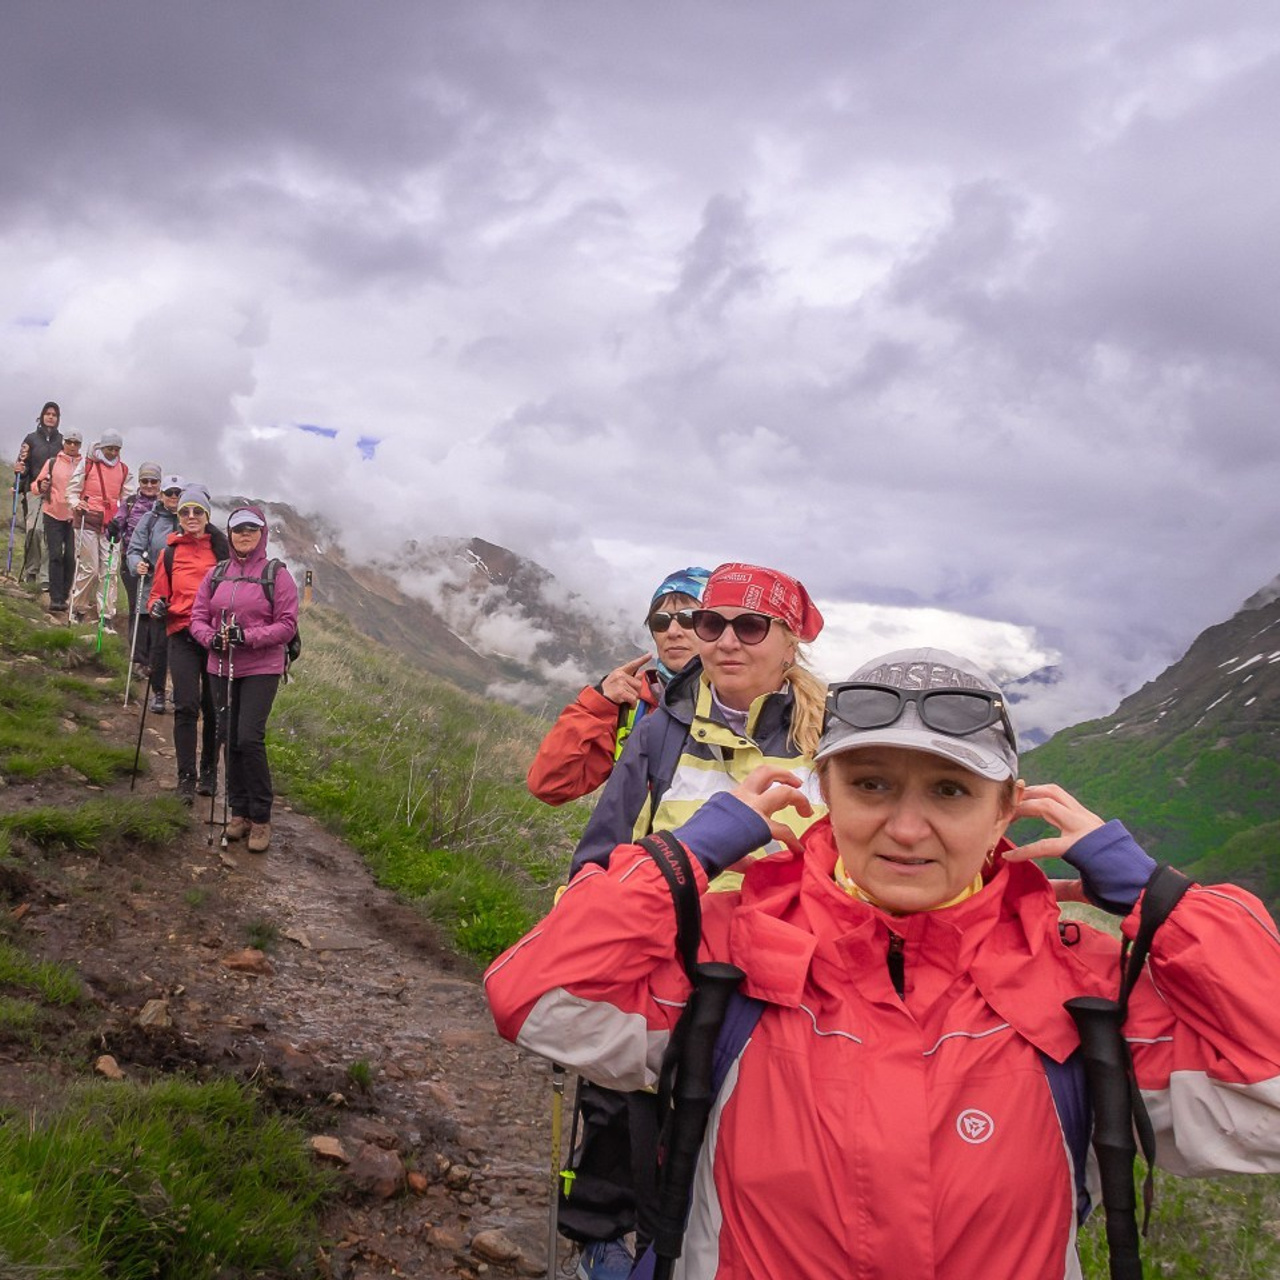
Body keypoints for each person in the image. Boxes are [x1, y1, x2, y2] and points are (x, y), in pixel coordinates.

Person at [487, 645, 1280, 1280]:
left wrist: (1167, 904)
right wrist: (688, 854)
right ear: (824, 788)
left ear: (1007, 809)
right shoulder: (731, 952)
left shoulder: (1086, 987)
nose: (906, 827)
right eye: (871, 784)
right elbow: (535, 998)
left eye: (949, 791)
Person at [560, 561, 828, 1279]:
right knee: (628, 1136)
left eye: (750, 626)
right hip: (658, 979)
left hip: (772, 994)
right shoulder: (661, 732)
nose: (725, 641)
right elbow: (601, 851)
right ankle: (604, 1248)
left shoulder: (829, 743)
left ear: (791, 640)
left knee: (735, 1165)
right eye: (712, 624)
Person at [527, 567, 711, 805]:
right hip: (633, 841)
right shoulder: (633, 704)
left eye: (689, 618)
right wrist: (597, 704)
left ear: (715, 626)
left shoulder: (742, 702)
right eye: (660, 621)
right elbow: (550, 785)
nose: (673, 632)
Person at [190, 504, 298, 854]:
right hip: (220, 665)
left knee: (249, 737)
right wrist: (210, 639)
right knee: (227, 736)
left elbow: (286, 624)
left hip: (261, 667)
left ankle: (261, 816)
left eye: (252, 528)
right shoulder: (217, 573)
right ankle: (238, 813)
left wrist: (246, 637)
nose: (245, 534)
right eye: (238, 529)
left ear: (262, 533)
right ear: (231, 534)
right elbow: (198, 617)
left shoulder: (276, 574)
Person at [147, 486, 228, 804]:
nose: (191, 517)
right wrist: (156, 606)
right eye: (185, 511)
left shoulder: (222, 552)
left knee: (212, 709)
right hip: (181, 634)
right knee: (185, 706)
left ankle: (209, 772)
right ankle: (186, 777)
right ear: (177, 516)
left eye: (197, 511)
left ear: (207, 516)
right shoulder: (169, 553)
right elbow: (157, 594)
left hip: (214, 637)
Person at [66, 429, 135, 630]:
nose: (113, 452)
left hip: (111, 524)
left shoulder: (123, 470)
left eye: (116, 449)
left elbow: (127, 498)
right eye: (109, 448)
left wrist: (123, 515)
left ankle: (106, 615)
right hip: (87, 519)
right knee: (89, 568)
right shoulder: (87, 464)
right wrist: (75, 502)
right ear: (102, 447)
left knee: (110, 570)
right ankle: (78, 609)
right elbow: (72, 489)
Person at [128, 474, 184, 713]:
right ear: (162, 496)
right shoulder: (150, 520)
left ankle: (181, 692)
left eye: (177, 493)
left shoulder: (192, 519)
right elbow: (134, 549)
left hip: (184, 594)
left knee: (181, 646)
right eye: (169, 493)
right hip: (156, 590)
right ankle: (159, 692)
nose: (173, 498)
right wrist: (135, 565)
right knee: (159, 645)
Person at [112, 461, 162, 666]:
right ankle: (138, 657)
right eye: (145, 480)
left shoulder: (167, 504)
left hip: (160, 567)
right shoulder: (130, 503)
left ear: (159, 482)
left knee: (155, 608)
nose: (149, 485)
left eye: (154, 481)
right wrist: (113, 529)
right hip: (131, 562)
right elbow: (117, 524)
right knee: (136, 606)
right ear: (139, 481)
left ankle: (154, 654)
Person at [12, 401, 63, 592]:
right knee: (34, 529)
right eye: (48, 413)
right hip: (34, 491)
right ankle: (31, 571)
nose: (51, 417)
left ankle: (45, 578)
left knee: (50, 535)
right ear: (42, 416)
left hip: (56, 494)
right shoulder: (31, 439)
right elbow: (22, 465)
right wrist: (20, 472)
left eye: (54, 414)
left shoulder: (63, 442)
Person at [32, 427, 82, 614]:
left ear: (80, 446)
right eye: (69, 441)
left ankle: (65, 596)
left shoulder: (84, 465)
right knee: (54, 555)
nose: (71, 445)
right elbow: (36, 487)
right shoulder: (52, 462)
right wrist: (40, 485)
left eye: (75, 443)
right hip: (52, 513)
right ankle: (56, 598)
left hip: (73, 516)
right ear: (64, 443)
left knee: (70, 556)